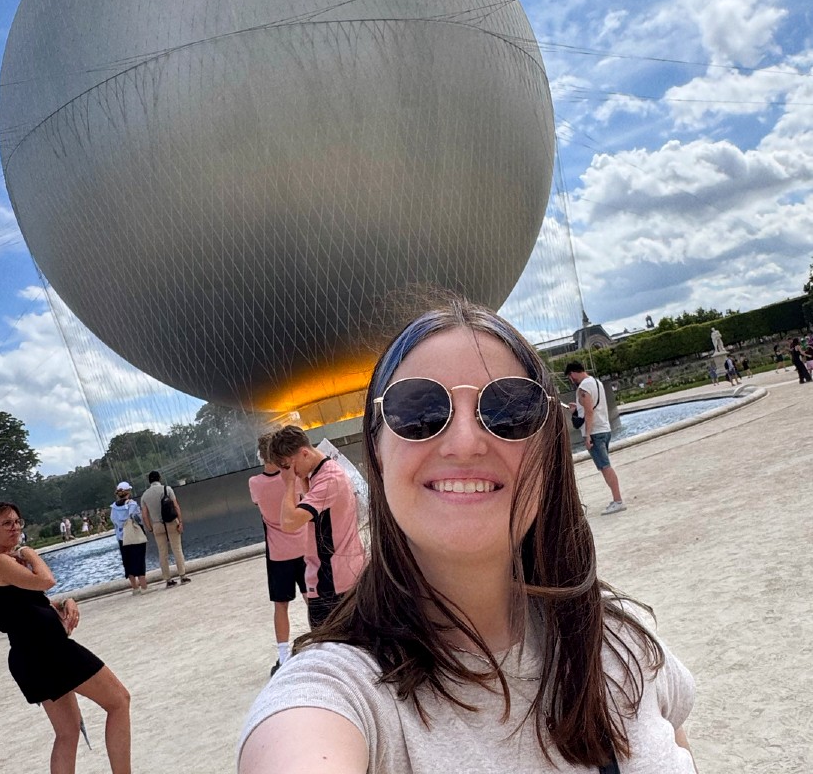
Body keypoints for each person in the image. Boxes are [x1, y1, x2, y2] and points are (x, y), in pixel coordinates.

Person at [238, 300, 697, 773]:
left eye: (509, 409)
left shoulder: (624, 646)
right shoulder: (336, 693)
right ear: (375, 451)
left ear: (549, 450)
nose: (464, 442)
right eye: (417, 410)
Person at [0, 502, 132, 774]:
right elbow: (46, 580)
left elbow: (29, 607)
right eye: (7, 523)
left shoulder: (4, 564)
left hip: (32, 654)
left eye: (18, 522)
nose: (15, 528)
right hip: (47, 652)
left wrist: (65, 603)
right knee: (119, 701)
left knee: (67, 732)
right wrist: (28, 551)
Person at [268, 425, 365, 628]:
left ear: (304, 453)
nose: (288, 473)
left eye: (287, 467)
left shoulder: (329, 479)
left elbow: (289, 522)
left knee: (328, 645)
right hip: (337, 576)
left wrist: (288, 485)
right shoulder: (320, 474)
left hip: (332, 581)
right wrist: (301, 478)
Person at [248, 432, 308, 675]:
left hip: (278, 552)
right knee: (311, 597)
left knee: (280, 605)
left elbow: (258, 506)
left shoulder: (254, 483)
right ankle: (326, 644)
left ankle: (283, 656)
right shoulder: (292, 479)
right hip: (304, 545)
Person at [564, 361, 626, 515]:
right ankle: (616, 499)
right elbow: (591, 409)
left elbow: (589, 412)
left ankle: (618, 500)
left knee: (605, 466)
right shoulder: (596, 383)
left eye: (570, 377)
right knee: (605, 465)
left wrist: (588, 435)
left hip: (595, 432)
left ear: (572, 373)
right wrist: (578, 408)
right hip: (604, 429)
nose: (571, 381)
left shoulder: (583, 388)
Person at [140, 471, 190, 587]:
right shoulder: (167, 489)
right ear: (159, 478)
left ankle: (168, 580)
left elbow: (144, 514)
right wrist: (180, 522)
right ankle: (182, 575)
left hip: (157, 524)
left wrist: (150, 528)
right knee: (177, 549)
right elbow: (176, 506)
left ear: (149, 481)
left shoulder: (145, 495)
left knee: (162, 553)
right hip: (171, 522)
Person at [109, 483, 149, 595]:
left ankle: (134, 587)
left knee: (127, 561)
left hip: (122, 538)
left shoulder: (113, 507)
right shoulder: (132, 504)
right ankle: (144, 586)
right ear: (128, 492)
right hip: (134, 535)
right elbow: (138, 518)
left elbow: (113, 521)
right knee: (139, 559)